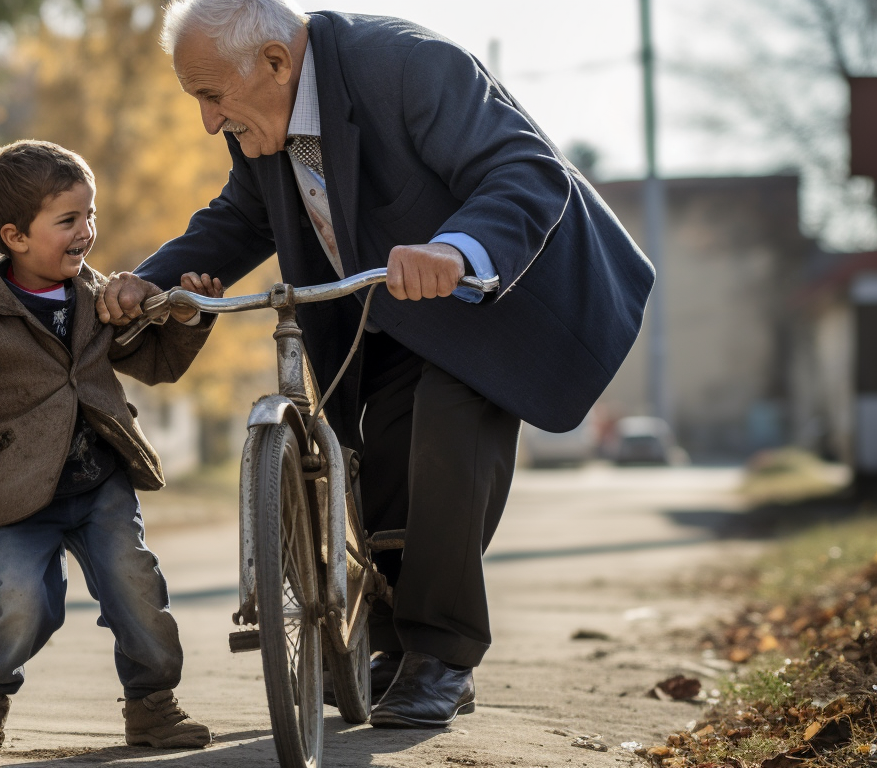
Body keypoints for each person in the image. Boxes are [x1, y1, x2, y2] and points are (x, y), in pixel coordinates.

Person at [96, 0, 655, 729]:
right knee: (380, 455)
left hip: (500, 287)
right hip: (389, 307)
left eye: (211, 96)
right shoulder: (261, 112)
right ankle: (394, 647)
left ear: (274, 63)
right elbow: (243, 215)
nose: (208, 122)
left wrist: (455, 251)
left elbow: (525, 170)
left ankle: (445, 658)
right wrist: (152, 279)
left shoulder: (406, 65)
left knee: (447, 440)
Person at [0, 139, 226, 755]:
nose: (88, 232)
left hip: (99, 481)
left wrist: (186, 320)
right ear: (15, 236)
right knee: (24, 603)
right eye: (69, 220)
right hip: (16, 496)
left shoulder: (98, 299)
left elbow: (154, 362)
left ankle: (153, 706)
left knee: (138, 592)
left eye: (91, 215)